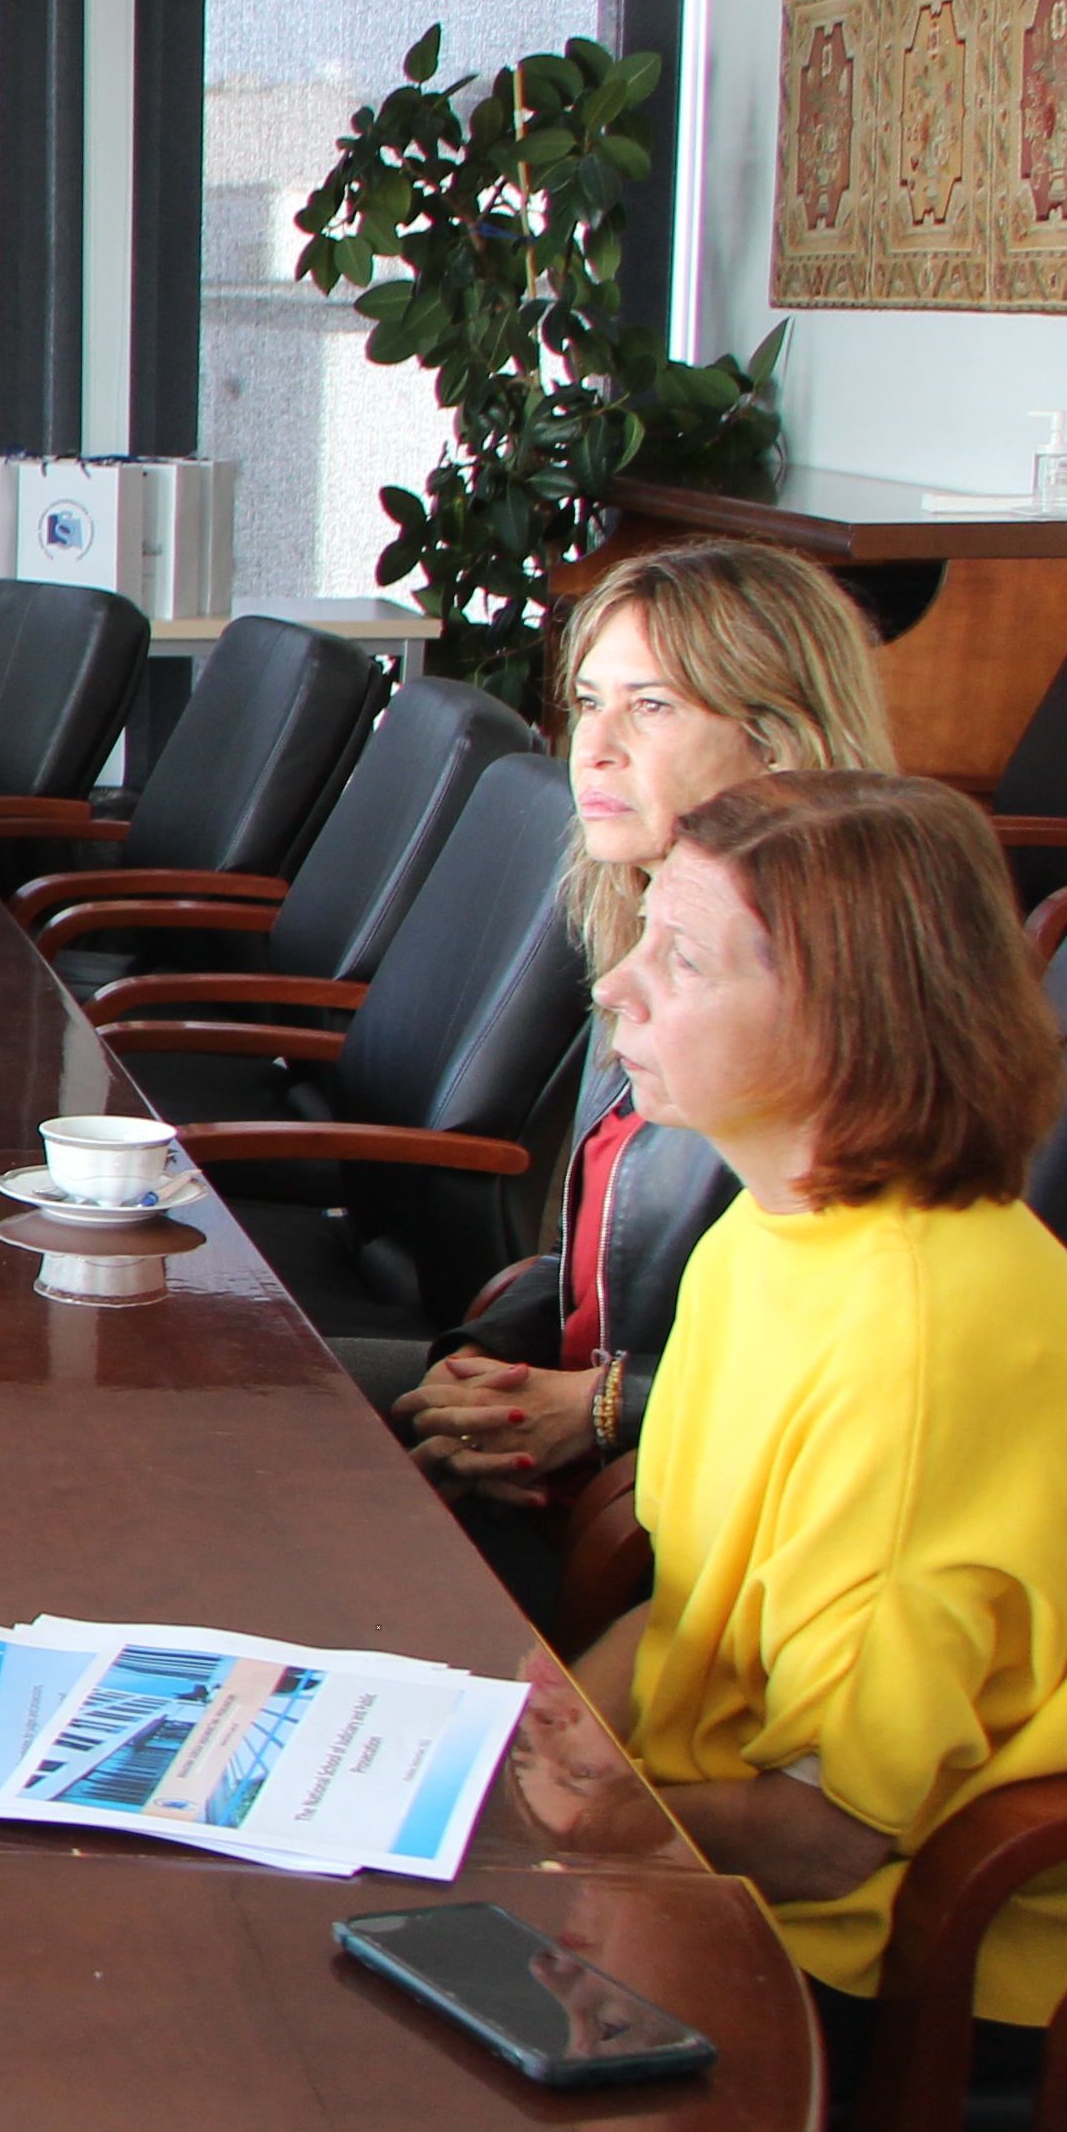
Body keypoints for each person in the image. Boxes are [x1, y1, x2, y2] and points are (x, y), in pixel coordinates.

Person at [519, 773, 1067, 2061]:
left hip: (919, 1953)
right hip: (726, 1826)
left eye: (678, 959)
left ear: (844, 1023)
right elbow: (697, 1598)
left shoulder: (913, 1350)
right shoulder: (775, 1221)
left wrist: (583, 1829)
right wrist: (569, 1723)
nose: (616, 985)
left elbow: (835, 1835)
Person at [380, 544, 896, 1632]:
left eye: (652, 707)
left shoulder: (823, 1005)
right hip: (554, 1446)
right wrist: (484, 1361)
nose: (594, 749)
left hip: (658, 1539)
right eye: (587, 702)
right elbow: (586, 1253)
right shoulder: (648, 925)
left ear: (778, 737)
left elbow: (863, 1382)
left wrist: (603, 1409)